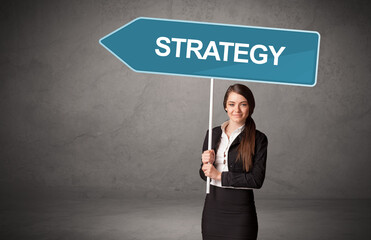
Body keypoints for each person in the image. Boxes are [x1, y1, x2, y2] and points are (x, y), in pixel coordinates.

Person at [199, 83, 268, 240]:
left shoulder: (259, 139)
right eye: (231, 104)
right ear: (225, 106)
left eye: (243, 104)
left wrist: (219, 176)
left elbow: (256, 180)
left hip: (241, 212)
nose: (236, 110)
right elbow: (204, 175)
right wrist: (205, 165)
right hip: (213, 209)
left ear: (250, 107)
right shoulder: (213, 134)